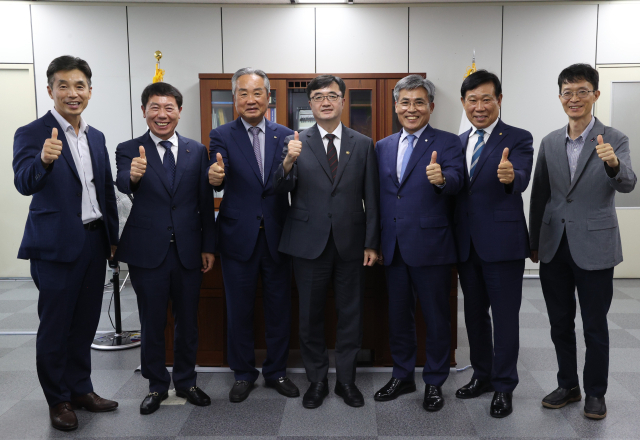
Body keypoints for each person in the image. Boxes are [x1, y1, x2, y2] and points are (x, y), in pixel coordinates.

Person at [12, 55, 119, 431]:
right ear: (50, 90)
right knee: (55, 328)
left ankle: (81, 388)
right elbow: (24, 181)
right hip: (55, 247)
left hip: (93, 243)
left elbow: (104, 191)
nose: (72, 93)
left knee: (85, 323)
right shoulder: (32, 132)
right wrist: (43, 160)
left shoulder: (97, 136)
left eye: (79, 86)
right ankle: (57, 400)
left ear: (90, 90)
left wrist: (113, 241)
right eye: (63, 86)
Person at [530, 63, 636, 420]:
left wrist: (613, 164)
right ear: (560, 96)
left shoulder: (615, 138)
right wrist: (534, 242)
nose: (574, 99)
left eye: (582, 91)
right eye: (567, 92)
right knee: (559, 322)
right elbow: (541, 195)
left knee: (594, 324)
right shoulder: (549, 141)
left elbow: (627, 183)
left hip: (595, 246)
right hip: (554, 245)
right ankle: (568, 384)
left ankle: (595, 392)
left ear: (596, 95)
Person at [274, 75, 379, 409]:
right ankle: (317, 380)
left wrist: (371, 243)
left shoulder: (362, 144)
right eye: (318, 97)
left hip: (351, 243)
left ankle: (346, 381)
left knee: (351, 314)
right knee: (310, 316)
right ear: (310, 104)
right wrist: (288, 161)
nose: (325, 101)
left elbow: (372, 199)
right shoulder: (295, 142)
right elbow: (280, 189)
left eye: (332, 95)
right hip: (308, 243)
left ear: (343, 101)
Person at [115, 82, 215, 415]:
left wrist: (208, 246)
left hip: (188, 249)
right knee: (152, 322)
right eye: (154, 108)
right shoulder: (129, 148)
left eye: (169, 108)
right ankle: (156, 385)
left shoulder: (195, 150)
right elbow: (123, 182)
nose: (162, 114)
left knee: (188, 322)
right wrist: (134, 175)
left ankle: (186, 381)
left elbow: (204, 202)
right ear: (144, 111)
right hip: (148, 252)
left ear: (179, 112)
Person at [373, 74, 464, 412]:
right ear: (396, 106)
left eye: (419, 102)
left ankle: (436, 381)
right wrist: (375, 242)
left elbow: (458, 180)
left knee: (437, 318)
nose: (412, 109)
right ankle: (402, 374)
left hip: (432, 246)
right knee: (399, 316)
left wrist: (443, 180)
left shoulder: (449, 141)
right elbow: (379, 197)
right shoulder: (382, 146)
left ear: (431, 107)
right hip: (393, 247)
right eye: (405, 102)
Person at [208, 68, 298, 402]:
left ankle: (276, 372)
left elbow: (288, 184)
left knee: (279, 308)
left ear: (268, 98)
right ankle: (243, 373)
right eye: (243, 93)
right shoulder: (222, 134)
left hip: (278, 235)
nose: (251, 100)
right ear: (234, 98)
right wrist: (214, 176)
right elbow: (219, 174)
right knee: (239, 309)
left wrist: (289, 164)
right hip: (237, 236)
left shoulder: (286, 135)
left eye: (257, 93)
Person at [454, 70, 534, 418]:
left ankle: (504, 386)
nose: (480, 106)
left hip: (503, 244)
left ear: (499, 100)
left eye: (487, 98)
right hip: (466, 245)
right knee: (473, 316)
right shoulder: (456, 143)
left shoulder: (517, 137)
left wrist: (509, 177)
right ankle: (482, 376)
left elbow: (520, 177)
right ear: (463, 103)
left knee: (504, 318)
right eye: (473, 99)